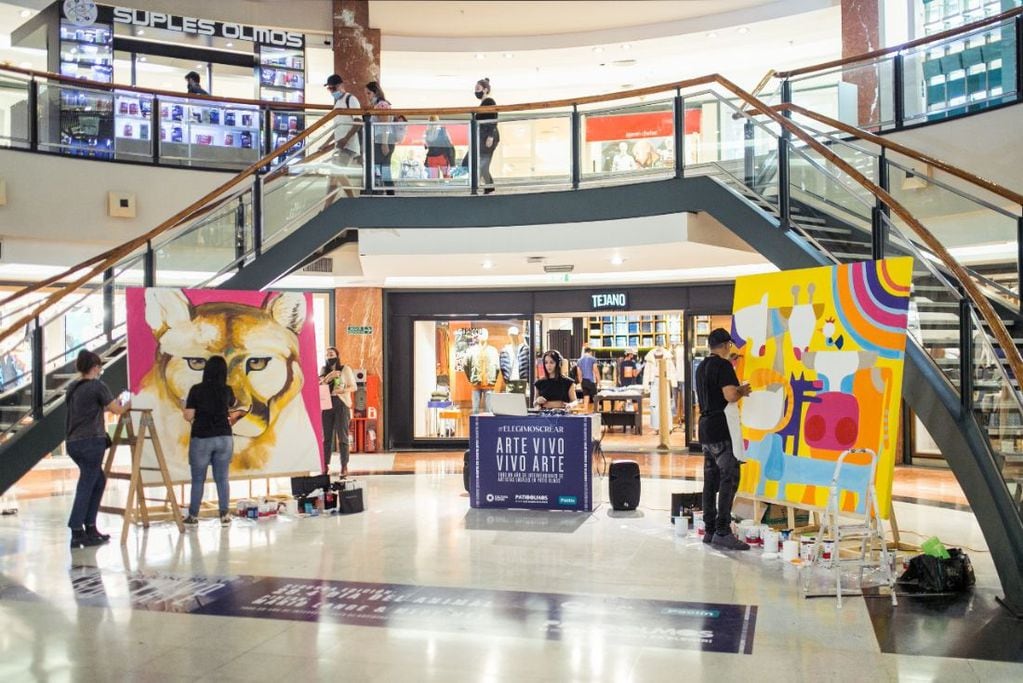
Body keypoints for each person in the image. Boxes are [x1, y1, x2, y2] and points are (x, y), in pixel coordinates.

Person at [64, 350, 130, 548]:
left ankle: (90, 527)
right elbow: (117, 409)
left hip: (73, 442)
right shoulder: (97, 386)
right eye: (99, 367)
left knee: (97, 480)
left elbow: (90, 409)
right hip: (91, 442)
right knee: (88, 483)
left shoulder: (72, 387)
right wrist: (131, 401)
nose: (100, 371)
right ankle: (77, 529)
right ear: (94, 368)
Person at [695, 329, 753, 551]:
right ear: (727, 345)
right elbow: (729, 395)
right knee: (729, 478)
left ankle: (709, 530)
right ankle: (723, 530)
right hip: (721, 428)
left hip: (706, 429)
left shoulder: (702, 367)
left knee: (710, 481)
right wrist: (742, 390)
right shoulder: (724, 367)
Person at [182, 356, 245, 527]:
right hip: (224, 437)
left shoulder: (196, 389)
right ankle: (224, 514)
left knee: (198, 479)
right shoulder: (227, 390)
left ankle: (193, 515)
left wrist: (183, 405)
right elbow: (233, 405)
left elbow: (188, 415)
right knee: (222, 478)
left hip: (202, 437)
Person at [320, 347, 357, 476]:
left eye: (331, 354)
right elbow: (319, 385)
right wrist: (329, 377)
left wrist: (343, 390)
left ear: (337, 355)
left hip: (341, 404)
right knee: (326, 438)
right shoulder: (324, 370)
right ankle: (324, 465)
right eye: (327, 355)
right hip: (326, 405)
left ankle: (344, 466)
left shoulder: (345, 369)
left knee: (343, 436)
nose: (329, 357)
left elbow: (354, 386)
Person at [365, 81, 396, 195]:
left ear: (375, 93)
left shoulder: (381, 105)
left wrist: (384, 143)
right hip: (380, 139)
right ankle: (386, 192)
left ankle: (383, 191)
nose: (367, 97)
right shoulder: (378, 105)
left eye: (368, 93)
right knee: (383, 168)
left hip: (381, 140)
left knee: (380, 167)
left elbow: (384, 125)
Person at [473, 77, 500, 194]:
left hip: (488, 137)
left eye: (478, 88)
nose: (476, 91)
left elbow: (494, 117)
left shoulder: (489, 102)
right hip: (483, 137)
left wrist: (490, 136)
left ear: (485, 90)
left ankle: (489, 187)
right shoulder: (482, 104)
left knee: (483, 163)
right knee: (482, 164)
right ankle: (489, 187)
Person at [575, 346, 598, 412]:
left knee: (586, 396)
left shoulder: (579, 360)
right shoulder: (593, 359)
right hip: (591, 381)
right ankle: (596, 411)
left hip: (584, 381)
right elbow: (595, 370)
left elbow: (579, 373)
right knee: (595, 397)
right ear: (590, 352)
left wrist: (581, 383)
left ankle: (585, 411)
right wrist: (599, 381)